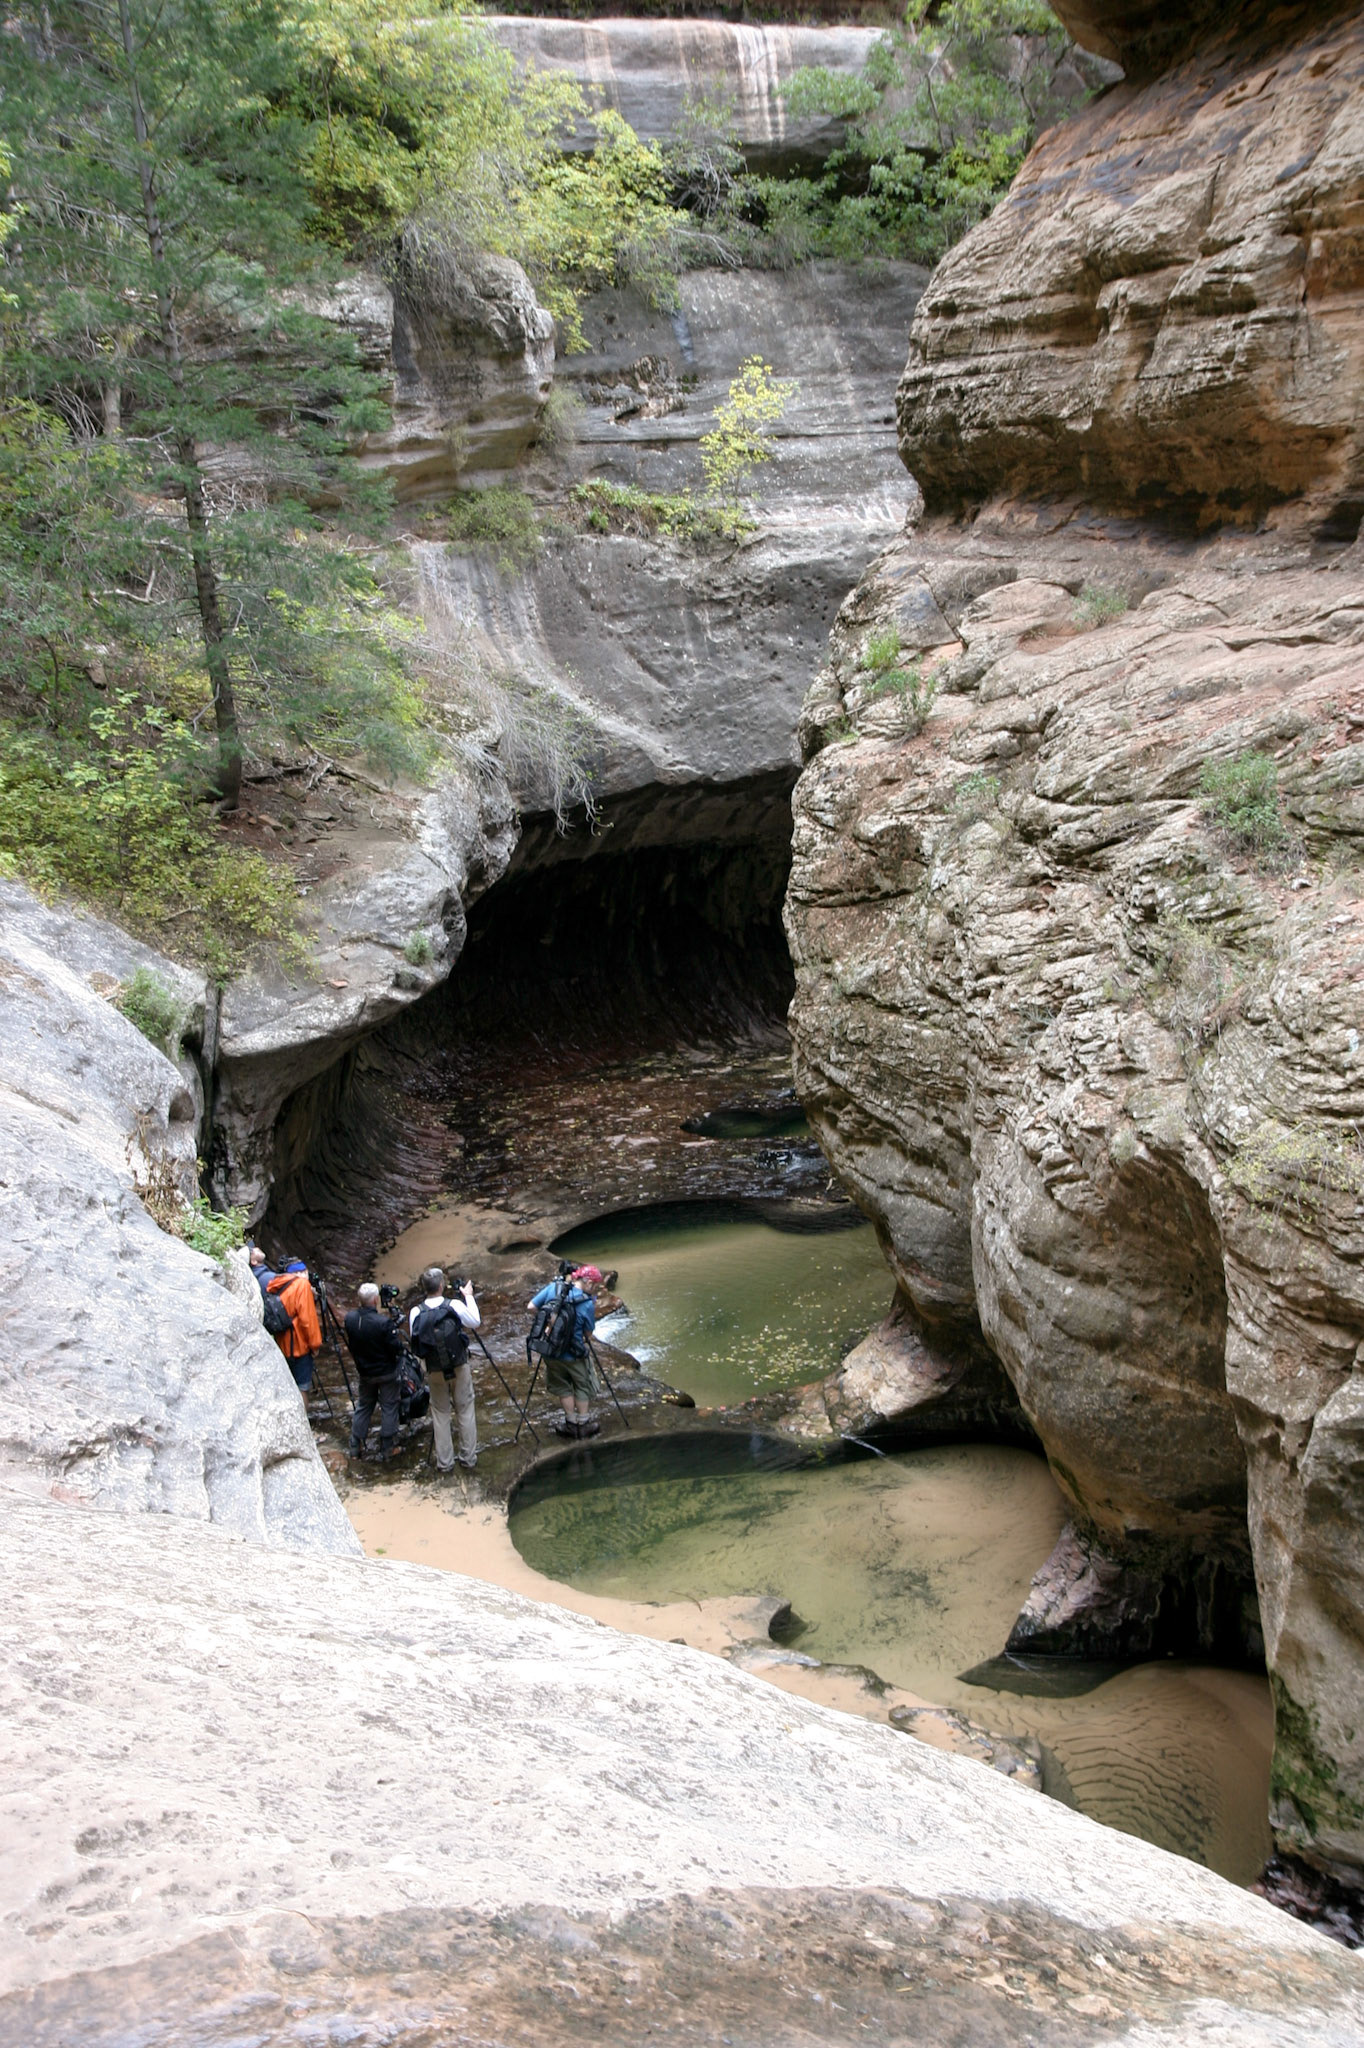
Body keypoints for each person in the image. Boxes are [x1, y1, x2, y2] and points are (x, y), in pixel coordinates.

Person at [409, 1267, 480, 1473]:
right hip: (458, 1364)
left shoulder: (416, 1312)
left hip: (434, 1369)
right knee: (465, 1409)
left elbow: (416, 1340)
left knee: (440, 1414)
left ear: (424, 1288)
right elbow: (475, 1322)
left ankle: (445, 1462)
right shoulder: (454, 1305)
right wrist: (469, 1297)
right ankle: (468, 1458)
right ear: (441, 1286)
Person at [528, 1265, 602, 1439]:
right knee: (582, 1385)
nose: (596, 1290)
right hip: (574, 1354)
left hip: (550, 1350)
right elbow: (588, 1333)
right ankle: (583, 1424)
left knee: (562, 1386)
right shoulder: (586, 1303)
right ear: (589, 1283)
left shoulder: (552, 1288)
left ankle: (570, 1423)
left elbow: (531, 1306)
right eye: (596, 1286)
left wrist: (549, 1324)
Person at [345, 1282, 405, 1462]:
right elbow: (396, 1347)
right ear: (376, 1300)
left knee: (364, 1405)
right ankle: (387, 1447)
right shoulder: (383, 1323)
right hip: (386, 1372)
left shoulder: (350, 1319)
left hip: (365, 1372)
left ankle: (355, 1445)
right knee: (389, 1406)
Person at [265, 1259, 322, 1393]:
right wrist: (315, 1345)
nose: (306, 1275)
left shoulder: (276, 1284)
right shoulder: (301, 1285)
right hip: (299, 1347)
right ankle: (301, 1414)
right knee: (302, 1388)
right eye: (304, 1272)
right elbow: (307, 1321)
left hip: (281, 1345)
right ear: (299, 1273)